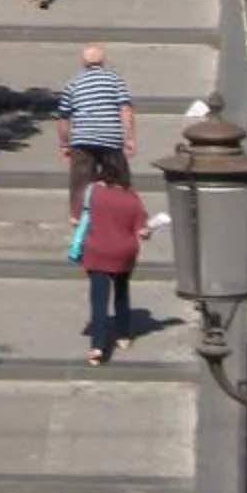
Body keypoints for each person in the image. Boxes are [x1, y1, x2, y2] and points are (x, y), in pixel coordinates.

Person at [76, 146, 152, 364]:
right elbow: (142, 230)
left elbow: (76, 217)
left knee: (99, 300)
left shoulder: (92, 193)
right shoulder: (131, 198)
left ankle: (98, 347)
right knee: (121, 293)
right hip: (124, 252)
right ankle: (124, 333)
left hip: (97, 250)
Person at [57, 43, 136, 215]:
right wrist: (129, 138)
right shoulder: (115, 80)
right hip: (111, 138)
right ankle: (120, 217)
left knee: (80, 184)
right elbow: (125, 109)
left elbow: (64, 118)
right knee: (118, 183)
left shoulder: (72, 84)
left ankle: (78, 218)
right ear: (104, 61)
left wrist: (64, 144)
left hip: (82, 140)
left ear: (83, 62)